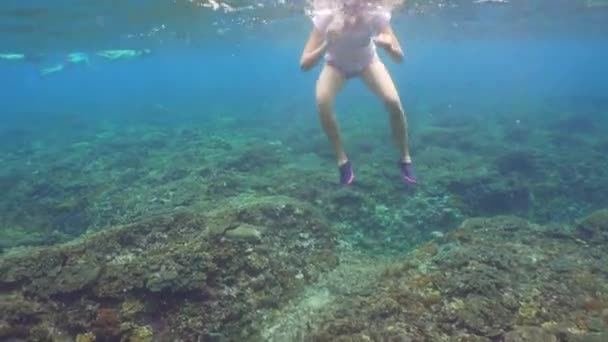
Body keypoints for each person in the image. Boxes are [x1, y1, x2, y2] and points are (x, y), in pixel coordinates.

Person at [300, 0, 416, 185]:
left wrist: (389, 47)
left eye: (359, 3)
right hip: (335, 65)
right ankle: (342, 161)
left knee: (393, 102)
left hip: (368, 63)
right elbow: (304, 64)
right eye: (347, 4)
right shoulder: (325, 17)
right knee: (323, 101)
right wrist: (326, 44)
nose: (353, 7)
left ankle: (405, 158)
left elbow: (399, 58)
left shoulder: (375, 15)